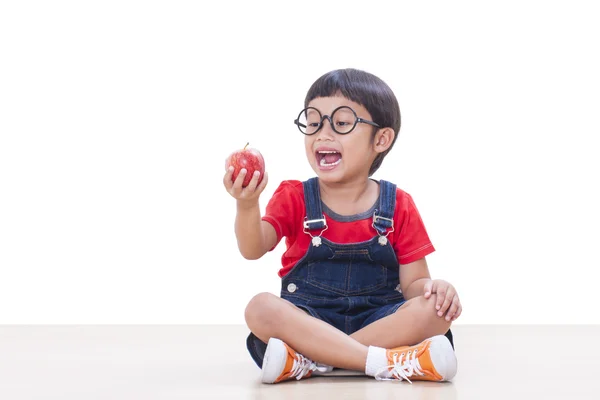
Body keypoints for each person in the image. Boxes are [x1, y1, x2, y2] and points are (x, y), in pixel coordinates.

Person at [223, 68, 462, 384]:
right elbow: (252, 249)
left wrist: (435, 290)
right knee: (260, 308)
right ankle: (386, 362)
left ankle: (312, 360)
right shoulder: (294, 196)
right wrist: (247, 204)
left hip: (381, 320)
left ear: (381, 139)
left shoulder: (399, 203)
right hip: (308, 320)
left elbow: (414, 285)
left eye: (342, 123)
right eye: (313, 122)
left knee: (435, 310)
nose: (322, 133)